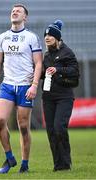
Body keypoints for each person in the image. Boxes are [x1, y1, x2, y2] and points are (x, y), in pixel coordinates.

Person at [0, 4, 42, 174]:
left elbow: (38, 63)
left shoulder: (31, 37)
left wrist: (34, 85)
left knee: (23, 126)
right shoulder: (2, 37)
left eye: (19, 11)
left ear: (25, 17)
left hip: (25, 86)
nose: (15, 12)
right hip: (7, 85)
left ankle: (25, 164)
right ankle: (9, 157)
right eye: (13, 10)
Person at [41, 20, 79, 171]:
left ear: (57, 37)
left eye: (50, 35)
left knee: (59, 128)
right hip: (48, 98)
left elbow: (75, 72)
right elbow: (43, 73)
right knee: (51, 131)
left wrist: (58, 70)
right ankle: (58, 165)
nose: (47, 37)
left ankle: (66, 162)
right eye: (45, 35)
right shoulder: (46, 55)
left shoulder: (67, 52)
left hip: (64, 97)